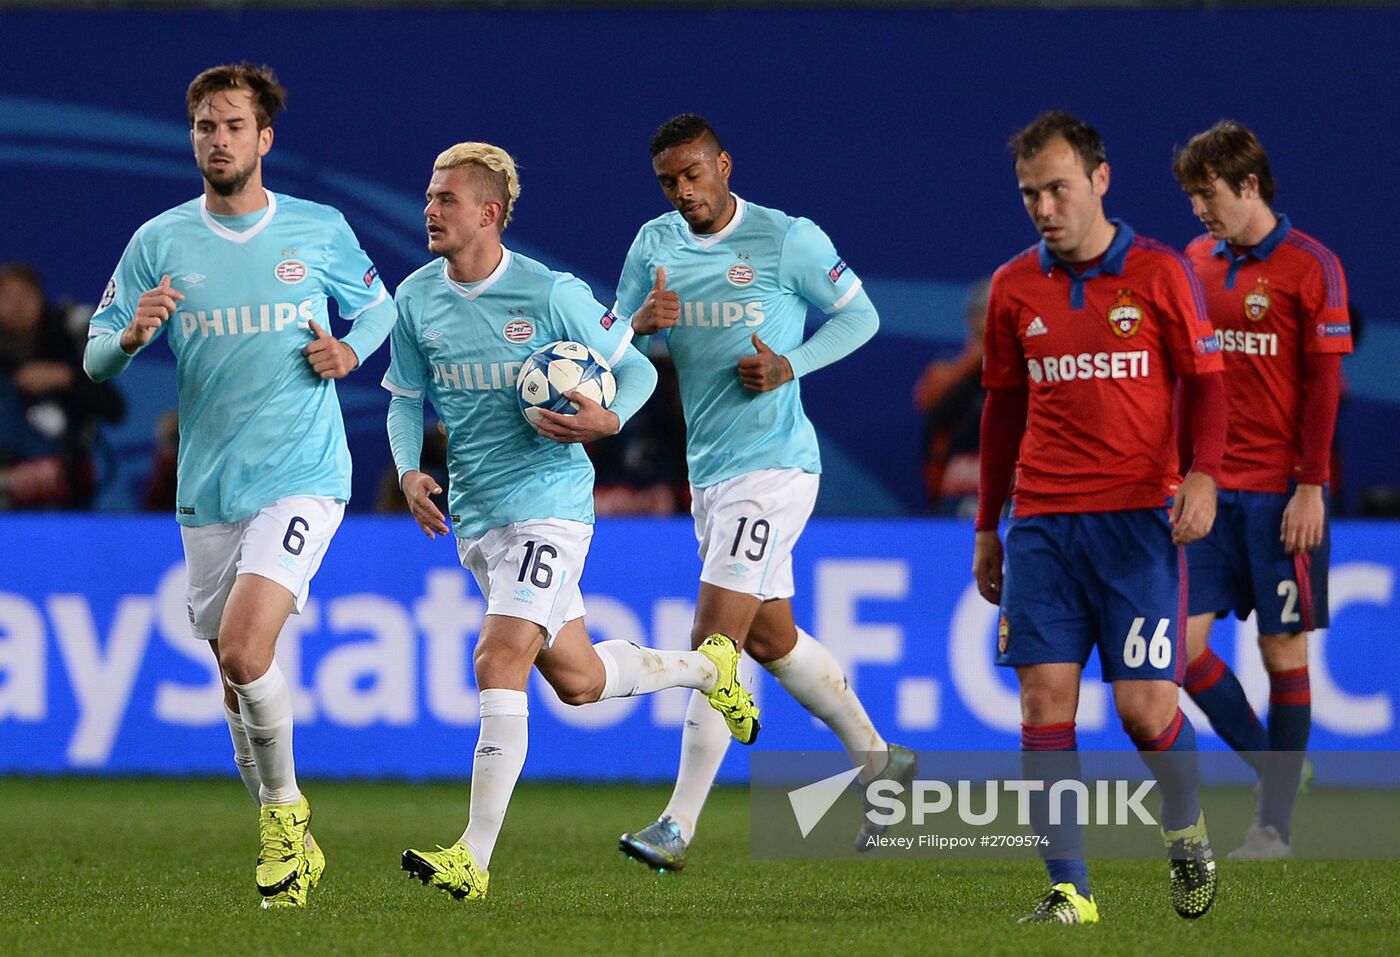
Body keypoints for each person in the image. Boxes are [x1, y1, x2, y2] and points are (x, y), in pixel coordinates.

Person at [386, 142, 758, 903]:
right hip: (478, 517)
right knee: (580, 682)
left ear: (488, 214)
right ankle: (709, 667)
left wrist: (606, 417)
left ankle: (472, 856)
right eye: (428, 196)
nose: (429, 209)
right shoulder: (416, 299)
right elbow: (402, 397)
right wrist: (407, 470)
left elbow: (640, 367)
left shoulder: (550, 292)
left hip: (550, 508)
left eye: (444, 199)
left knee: (497, 658)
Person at [83, 63, 397, 909]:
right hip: (210, 484)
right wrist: (133, 335)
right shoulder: (160, 240)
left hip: (303, 475)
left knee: (251, 647)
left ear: (264, 138)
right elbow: (95, 351)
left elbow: (381, 307)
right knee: (232, 669)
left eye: (231, 125)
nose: (216, 140)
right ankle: (287, 835)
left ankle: (284, 815)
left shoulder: (318, 228)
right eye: (204, 127)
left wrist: (350, 352)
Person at [612, 113, 913, 872]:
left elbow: (862, 316)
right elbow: (617, 353)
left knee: (716, 640)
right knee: (770, 638)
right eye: (668, 182)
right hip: (709, 471)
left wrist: (792, 365)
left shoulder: (787, 238)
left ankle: (676, 825)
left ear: (724, 164)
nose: (684, 192)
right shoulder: (654, 246)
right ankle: (880, 761)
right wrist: (642, 327)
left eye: (693, 174)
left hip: (775, 467)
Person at [973, 111, 1227, 924]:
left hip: (1137, 523)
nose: (1045, 207)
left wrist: (1204, 474)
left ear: (1100, 180)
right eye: (1029, 194)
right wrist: (987, 523)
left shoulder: (1159, 273)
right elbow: (1002, 408)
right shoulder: (1014, 286)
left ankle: (1186, 829)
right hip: (1043, 522)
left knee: (1144, 708)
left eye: (1058, 188)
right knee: (1045, 701)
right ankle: (1070, 890)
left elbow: (1209, 382)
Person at [1173, 120, 1353, 860]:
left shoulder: (1314, 266)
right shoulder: (1194, 261)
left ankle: (1273, 825)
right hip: (1211, 490)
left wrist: (1311, 485)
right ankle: (1273, 767)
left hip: (1283, 494)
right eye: (1191, 198)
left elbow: (1324, 387)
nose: (1199, 212)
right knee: (1177, 651)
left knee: (1282, 652)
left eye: (1207, 194)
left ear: (1249, 185)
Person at [0, 262, 123, 508]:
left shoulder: (67, 345)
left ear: (41, 298)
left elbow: (115, 409)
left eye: (25, 295)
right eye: (6, 296)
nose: (17, 305)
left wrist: (66, 378)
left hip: (67, 494)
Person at [913, 278, 991, 515]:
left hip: (1016, 488)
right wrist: (977, 360)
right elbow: (928, 404)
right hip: (959, 491)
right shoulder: (946, 371)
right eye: (987, 314)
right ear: (972, 320)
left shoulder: (1031, 373)